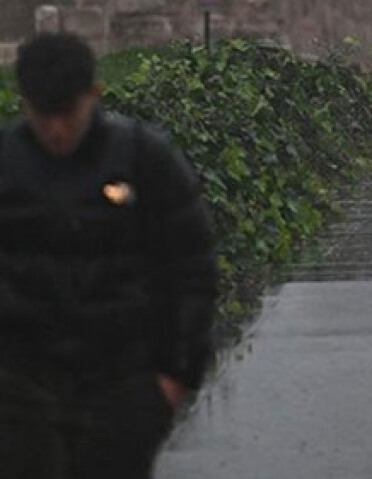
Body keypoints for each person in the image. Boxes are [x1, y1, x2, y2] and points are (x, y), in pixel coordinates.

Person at [0, 32, 216, 478]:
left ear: (93, 96)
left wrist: (175, 374)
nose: (56, 131)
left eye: (67, 114)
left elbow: (191, 267)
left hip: (122, 379)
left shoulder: (144, 159)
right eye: (45, 116)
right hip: (22, 385)